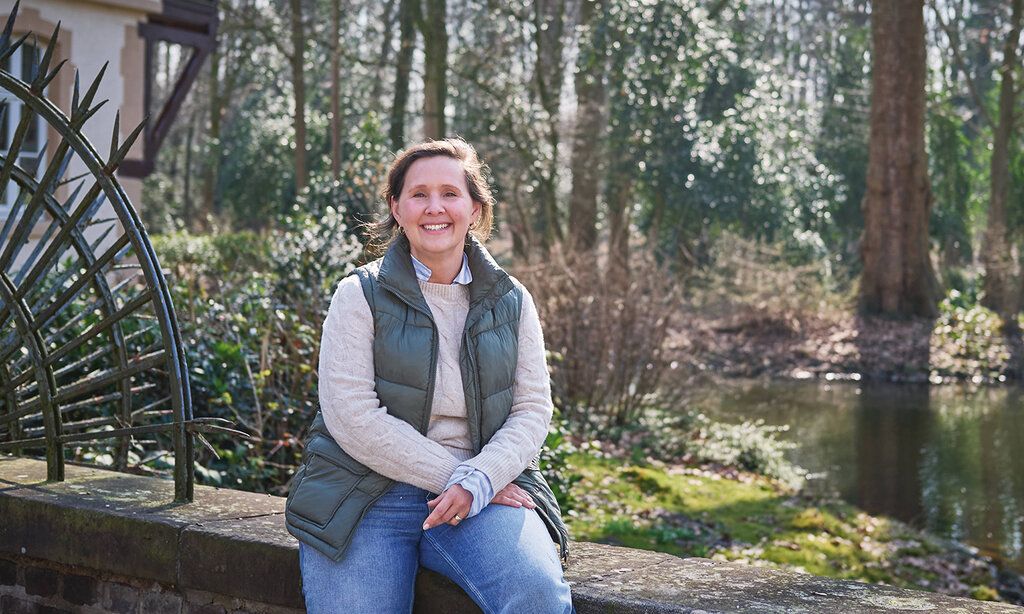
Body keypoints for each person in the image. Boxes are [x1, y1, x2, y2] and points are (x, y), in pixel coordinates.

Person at [285, 138, 574, 613]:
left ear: (475, 208)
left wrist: (482, 478)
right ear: (396, 208)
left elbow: (531, 410)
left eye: (450, 193)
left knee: (536, 594)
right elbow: (352, 415)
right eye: (418, 194)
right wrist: (458, 478)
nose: (434, 207)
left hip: (481, 494)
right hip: (366, 492)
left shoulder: (512, 299)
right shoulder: (359, 295)